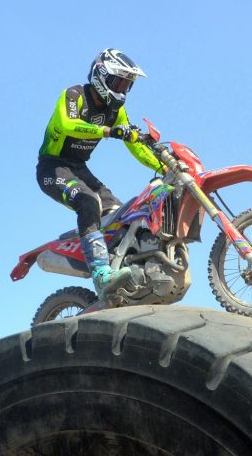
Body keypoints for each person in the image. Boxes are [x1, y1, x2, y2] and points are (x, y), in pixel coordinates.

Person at [36, 48, 165, 300]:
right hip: (52, 168)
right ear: (101, 76)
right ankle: (100, 274)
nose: (123, 90)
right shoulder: (74, 95)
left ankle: (123, 267)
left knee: (121, 213)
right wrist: (108, 131)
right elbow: (67, 124)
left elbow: (135, 146)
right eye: (119, 82)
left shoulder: (116, 111)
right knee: (87, 201)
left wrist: (162, 166)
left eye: (127, 85)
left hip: (80, 169)